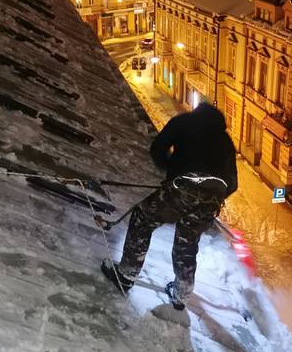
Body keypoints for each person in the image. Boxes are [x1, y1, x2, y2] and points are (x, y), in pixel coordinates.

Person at [102, 102, 238, 309]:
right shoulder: (226, 142)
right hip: (213, 198)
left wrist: (173, 175)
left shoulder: (184, 122)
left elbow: (158, 149)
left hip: (184, 187)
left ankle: (126, 274)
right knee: (187, 240)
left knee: (143, 217)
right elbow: (233, 184)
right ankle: (181, 295)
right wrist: (213, 195)